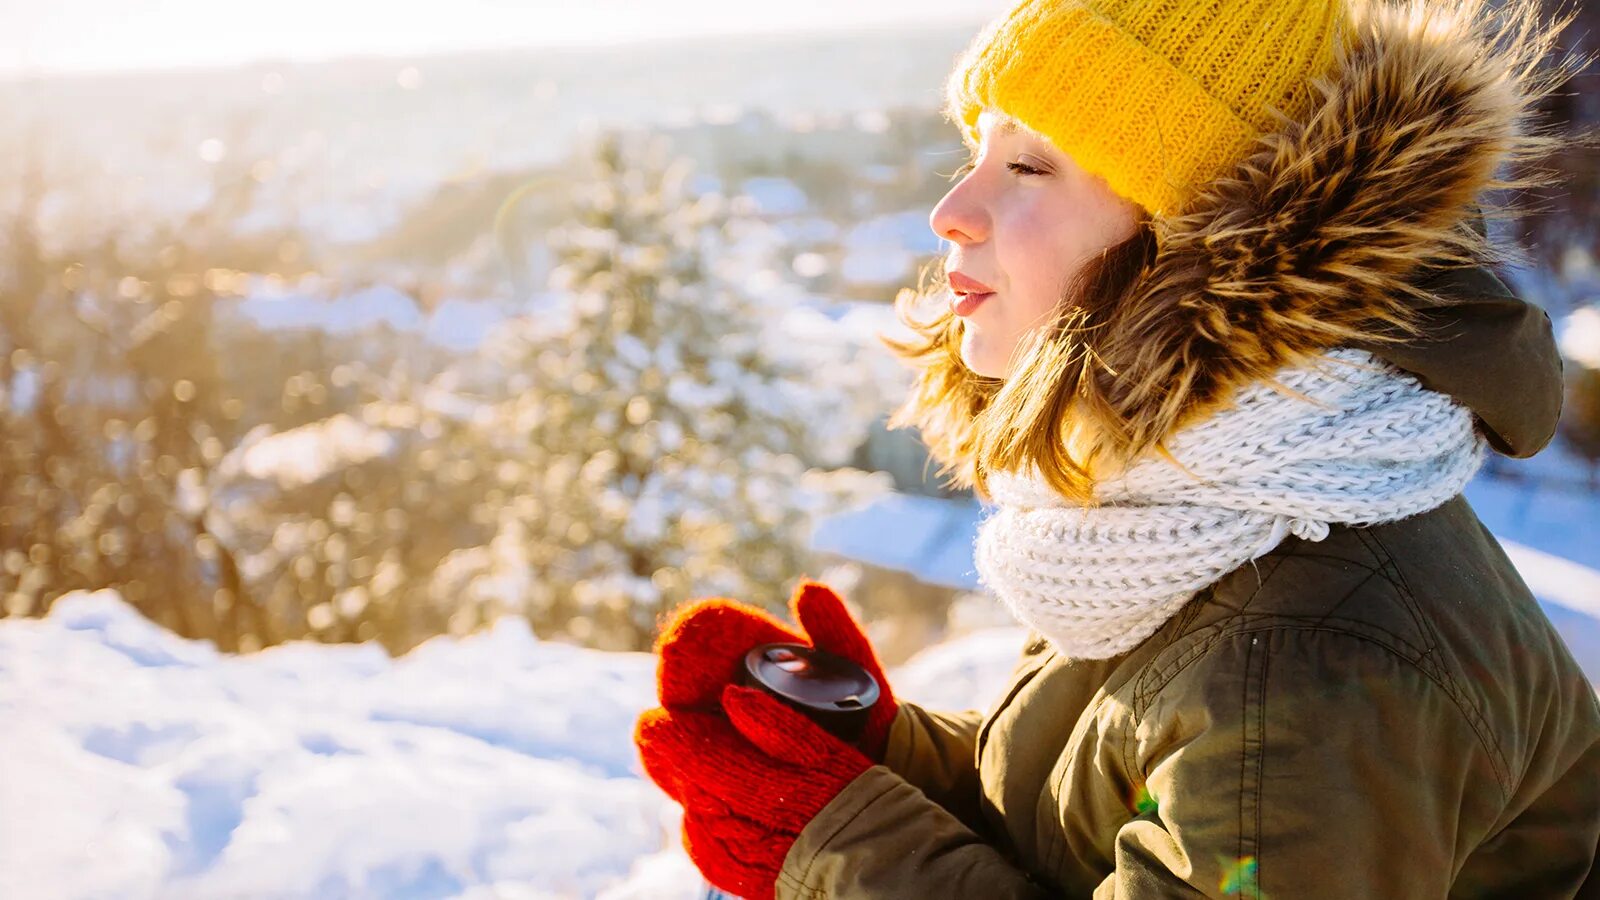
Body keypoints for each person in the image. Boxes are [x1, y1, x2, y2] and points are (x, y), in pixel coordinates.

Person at [634, 0, 1600, 895]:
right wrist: (882, 758)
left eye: (1030, 166)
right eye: (976, 151)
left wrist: (840, 847)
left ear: (1203, 244)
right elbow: (1101, 809)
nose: (951, 210)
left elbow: (1234, 758)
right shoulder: (1189, 505)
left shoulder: (1311, 659)